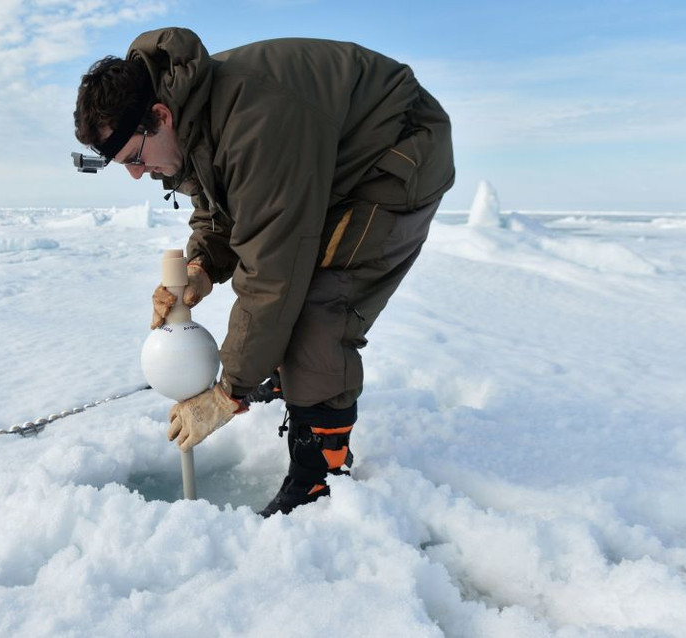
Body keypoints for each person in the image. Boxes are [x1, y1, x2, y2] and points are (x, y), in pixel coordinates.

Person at [73, 27, 454, 517]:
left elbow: (273, 273)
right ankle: (281, 372)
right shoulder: (191, 112)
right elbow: (220, 206)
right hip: (331, 161)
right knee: (289, 306)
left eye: (134, 158)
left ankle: (321, 473)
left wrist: (228, 392)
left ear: (159, 118)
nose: (137, 174)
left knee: (322, 305)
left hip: (397, 156)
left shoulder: (255, 123)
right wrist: (201, 267)